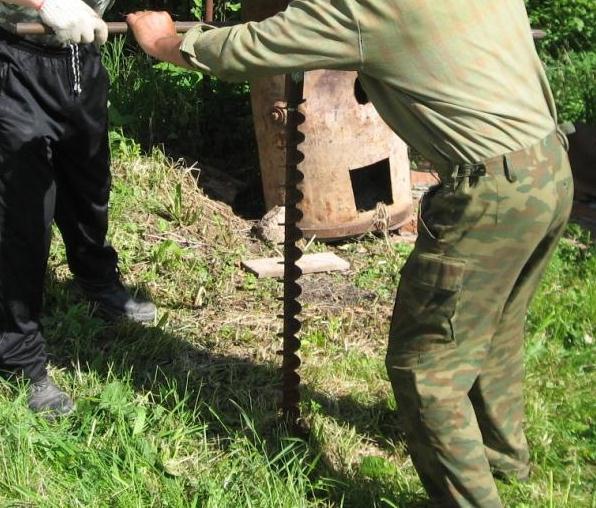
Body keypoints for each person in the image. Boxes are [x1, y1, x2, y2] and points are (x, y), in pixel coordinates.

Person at [127, 2, 574, 506]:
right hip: (549, 166)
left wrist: (166, 42)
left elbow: (252, 47)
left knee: (425, 370)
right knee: (491, 327)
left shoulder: (361, 8)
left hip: (492, 197)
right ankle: (502, 456)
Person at [0, 0, 156, 417]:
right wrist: (42, 3)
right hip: (13, 60)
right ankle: (21, 354)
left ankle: (96, 279)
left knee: (89, 185)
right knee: (22, 215)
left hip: (78, 58)